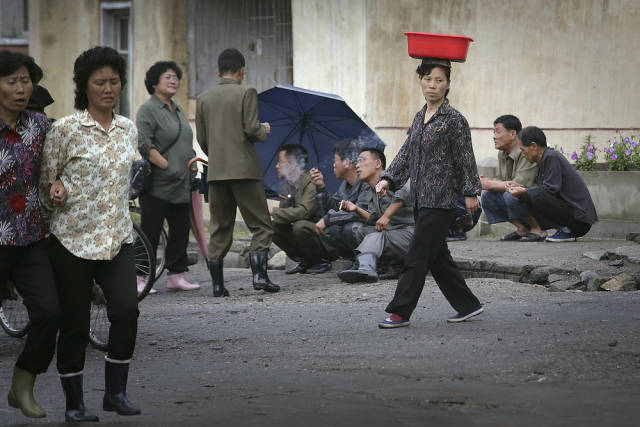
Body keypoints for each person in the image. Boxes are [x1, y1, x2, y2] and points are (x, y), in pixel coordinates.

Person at [40, 46, 141, 421]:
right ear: (84, 86)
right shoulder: (65, 130)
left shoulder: (129, 129)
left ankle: (115, 393)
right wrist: (57, 191)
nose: (108, 88)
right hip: (71, 240)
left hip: (117, 238)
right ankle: (74, 404)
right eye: (100, 82)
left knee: (127, 311)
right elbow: (45, 184)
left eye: (114, 81)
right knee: (75, 322)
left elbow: (129, 177)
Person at [375, 58, 484, 329]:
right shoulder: (420, 115)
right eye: (427, 79)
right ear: (420, 80)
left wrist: (471, 192)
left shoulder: (455, 119)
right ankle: (469, 305)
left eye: (439, 80)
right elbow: (407, 152)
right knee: (437, 258)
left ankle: (400, 311)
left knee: (417, 255)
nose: (432, 85)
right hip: (420, 199)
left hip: (442, 200)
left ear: (448, 85)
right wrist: (388, 178)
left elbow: (465, 158)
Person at [1, 51, 60, 419]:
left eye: (26, 81)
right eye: (12, 82)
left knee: (50, 314)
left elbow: (60, 165)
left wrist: (60, 184)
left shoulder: (40, 126)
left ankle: (23, 384)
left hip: (32, 237)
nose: (21, 89)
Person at [196, 48, 279, 296]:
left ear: (219, 71)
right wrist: (264, 129)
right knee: (261, 225)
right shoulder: (247, 92)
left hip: (217, 171)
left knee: (220, 227)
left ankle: (218, 286)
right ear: (242, 71)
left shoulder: (203, 98)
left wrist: (219, 157)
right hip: (245, 170)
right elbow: (252, 130)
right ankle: (259, 276)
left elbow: (202, 140)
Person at [136, 61, 199, 293]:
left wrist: (191, 162)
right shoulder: (148, 109)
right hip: (159, 183)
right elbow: (143, 141)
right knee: (150, 232)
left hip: (183, 182)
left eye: (176, 77)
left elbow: (184, 139)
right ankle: (140, 278)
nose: (174, 81)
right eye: (168, 77)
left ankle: (176, 276)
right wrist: (166, 164)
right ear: (154, 82)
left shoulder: (178, 108)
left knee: (180, 230)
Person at [337, 147, 415, 283]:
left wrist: (387, 216)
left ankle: (366, 267)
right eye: (356, 162)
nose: (357, 165)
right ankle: (387, 266)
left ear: (378, 164)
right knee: (362, 231)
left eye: (362, 160)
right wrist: (356, 209)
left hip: (413, 235)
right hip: (395, 236)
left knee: (377, 236)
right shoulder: (371, 190)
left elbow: (406, 191)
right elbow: (375, 220)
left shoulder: (389, 178)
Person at [507, 126, 597, 242]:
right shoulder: (543, 160)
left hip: (580, 221)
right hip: (574, 218)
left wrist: (525, 190)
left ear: (534, 146)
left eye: (523, 150)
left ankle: (567, 230)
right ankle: (563, 229)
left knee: (535, 195)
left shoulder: (551, 157)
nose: (523, 154)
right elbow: (545, 189)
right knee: (526, 194)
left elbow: (549, 190)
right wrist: (521, 189)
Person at [480, 115, 543, 242]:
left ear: (513, 133)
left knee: (511, 194)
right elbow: (500, 179)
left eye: (498, 131)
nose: (494, 136)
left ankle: (538, 229)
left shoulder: (526, 150)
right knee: (487, 196)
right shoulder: (502, 153)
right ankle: (522, 229)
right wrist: (488, 183)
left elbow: (520, 184)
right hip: (519, 195)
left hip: (538, 197)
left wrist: (490, 184)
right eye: (493, 132)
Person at [311, 138, 371, 269]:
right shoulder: (344, 186)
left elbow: (360, 212)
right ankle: (352, 257)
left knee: (353, 228)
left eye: (335, 160)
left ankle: (366, 259)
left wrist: (327, 220)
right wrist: (321, 187)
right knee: (328, 229)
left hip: (374, 230)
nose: (333, 164)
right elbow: (332, 208)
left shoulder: (366, 182)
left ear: (347, 162)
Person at [270, 145, 326, 273]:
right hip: (301, 230)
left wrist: (274, 211)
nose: (277, 166)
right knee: (273, 226)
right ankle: (304, 260)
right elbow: (284, 216)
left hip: (321, 232)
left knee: (300, 226)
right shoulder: (287, 185)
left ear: (293, 164)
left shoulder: (311, 182)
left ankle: (319, 261)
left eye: (280, 162)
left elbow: (304, 212)